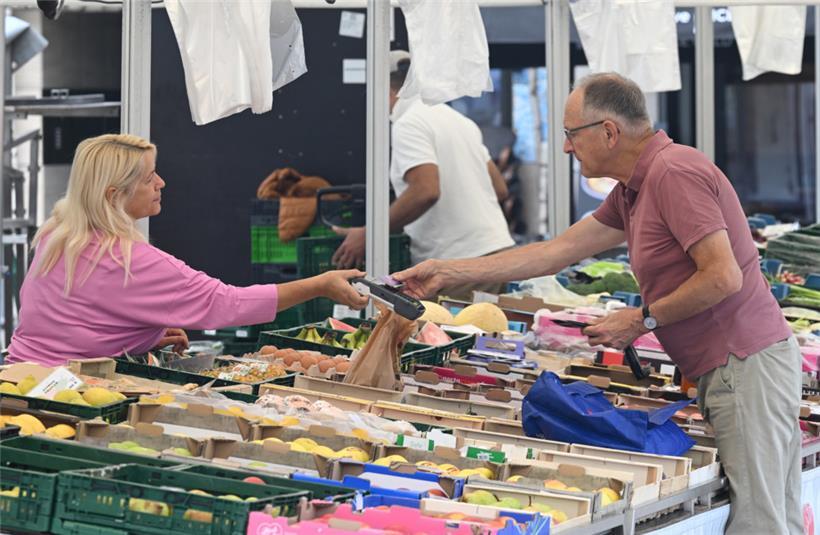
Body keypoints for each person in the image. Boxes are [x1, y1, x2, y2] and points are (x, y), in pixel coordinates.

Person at [394, 73, 801, 534]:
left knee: (761, 523)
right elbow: (555, 252)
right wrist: (449, 272)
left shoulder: (674, 173)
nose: (567, 148)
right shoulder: (633, 188)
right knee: (774, 516)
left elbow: (722, 276)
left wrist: (642, 318)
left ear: (609, 132)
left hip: (745, 365)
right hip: (733, 367)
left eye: (571, 134)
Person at [7, 134, 368, 366]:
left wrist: (141, 335)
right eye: (149, 178)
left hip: (20, 378)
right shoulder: (128, 260)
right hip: (75, 392)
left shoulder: (57, 234)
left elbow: (70, 319)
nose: (161, 183)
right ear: (114, 195)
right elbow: (229, 304)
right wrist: (319, 284)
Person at [332, 50, 515, 298]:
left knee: (454, 334)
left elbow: (426, 190)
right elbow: (500, 189)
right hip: (499, 256)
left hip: (458, 265)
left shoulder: (409, 122)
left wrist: (368, 233)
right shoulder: (459, 120)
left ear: (383, 89)